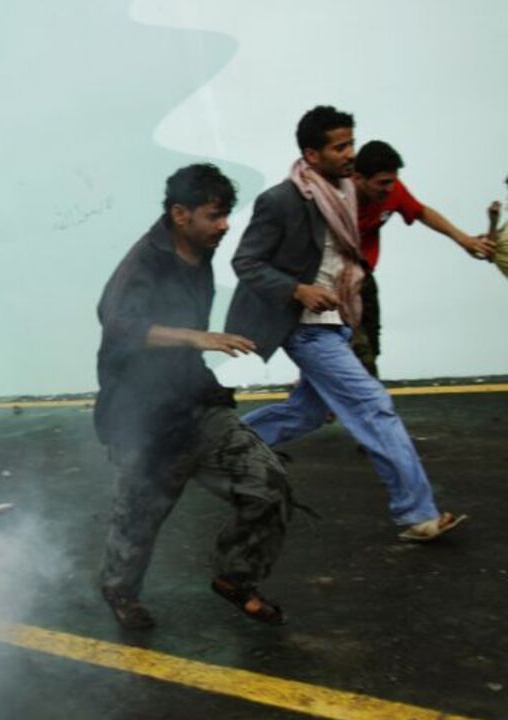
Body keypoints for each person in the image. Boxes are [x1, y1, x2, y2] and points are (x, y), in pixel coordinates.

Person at [225, 105, 466, 543]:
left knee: (306, 413)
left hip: (340, 317)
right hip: (304, 323)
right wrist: (298, 290)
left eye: (351, 143)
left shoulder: (351, 191)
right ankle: (417, 515)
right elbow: (246, 262)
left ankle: (213, 448)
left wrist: (466, 240)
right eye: (340, 147)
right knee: (373, 405)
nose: (350, 153)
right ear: (311, 155)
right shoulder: (282, 200)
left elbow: (410, 207)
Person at [95, 164, 292, 630]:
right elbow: (116, 323)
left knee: (268, 485)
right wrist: (193, 337)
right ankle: (119, 590)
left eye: (226, 215)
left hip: (195, 402)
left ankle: (235, 577)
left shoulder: (202, 253)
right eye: (214, 216)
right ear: (180, 214)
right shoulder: (144, 261)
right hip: (142, 417)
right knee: (138, 520)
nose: (224, 226)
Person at [349, 140, 495, 376]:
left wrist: (463, 239)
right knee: (355, 353)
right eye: (383, 183)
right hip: (331, 278)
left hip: (362, 275)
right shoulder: (335, 197)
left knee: (371, 347)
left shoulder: (394, 191)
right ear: (358, 179)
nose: (389, 188)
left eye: (393, 181)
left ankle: (321, 389)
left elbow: (421, 212)